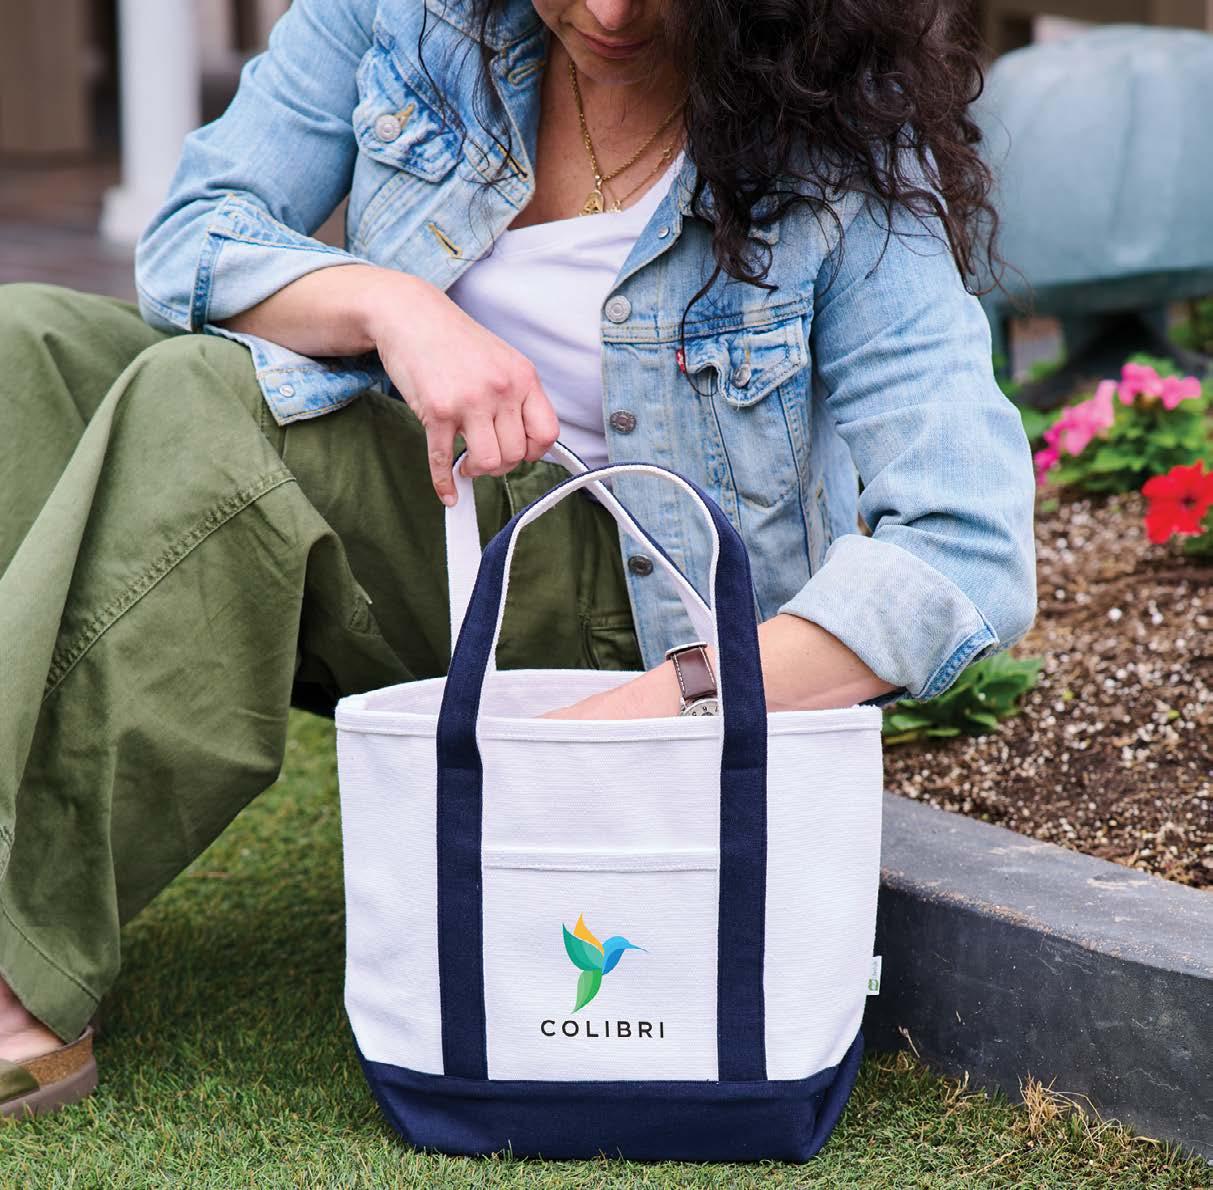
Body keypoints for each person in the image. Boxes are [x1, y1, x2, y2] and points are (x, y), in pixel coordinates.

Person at [0, 0, 1037, 1117]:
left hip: (629, 616)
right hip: (430, 530)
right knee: (28, 350)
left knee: (205, 404)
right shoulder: (402, 19)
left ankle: (23, 963)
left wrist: (649, 709)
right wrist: (392, 306)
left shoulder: (840, 135)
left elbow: (964, 547)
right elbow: (189, 238)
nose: (608, 13)